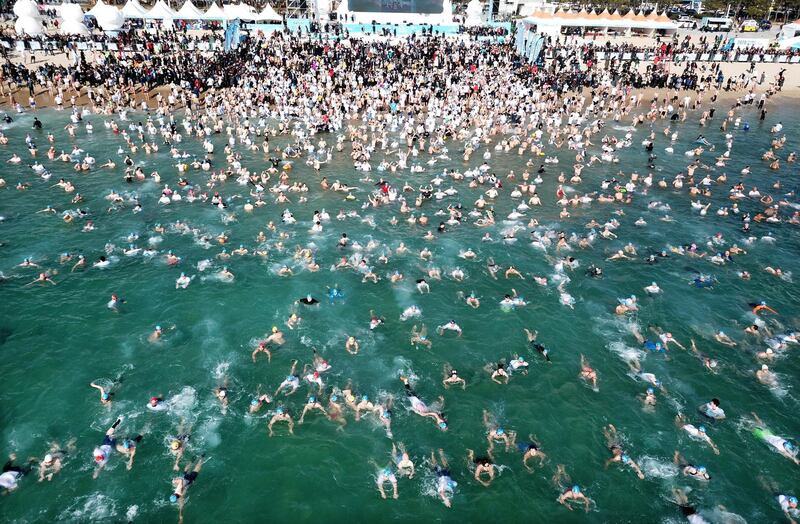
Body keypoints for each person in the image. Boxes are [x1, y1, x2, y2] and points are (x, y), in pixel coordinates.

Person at [170, 454, 205, 524]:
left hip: (188, 480)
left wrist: (181, 518)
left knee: (196, 469)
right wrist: (174, 481)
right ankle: (193, 459)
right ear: (173, 494)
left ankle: (202, 458)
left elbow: (181, 509)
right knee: (186, 470)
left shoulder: (181, 497)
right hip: (185, 478)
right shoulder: (178, 492)